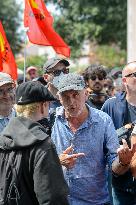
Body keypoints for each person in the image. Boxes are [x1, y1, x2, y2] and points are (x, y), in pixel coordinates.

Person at [51, 73, 120, 205]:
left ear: (86, 94)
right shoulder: (51, 120)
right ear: (59, 98)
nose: (71, 102)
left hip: (96, 201)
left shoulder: (103, 121)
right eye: (66, 97)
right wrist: (56, 161)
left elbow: (113, 161)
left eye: (76, 95)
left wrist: (122, 161)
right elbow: (40, 162)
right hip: (61, 201)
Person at [0, 81, 69, 205]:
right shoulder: (43, 144)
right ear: (43, 106)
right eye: (48, 104)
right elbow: (52, 197)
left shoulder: (2, 140)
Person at [102, 61, 136, 205]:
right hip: (123, 186)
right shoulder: (111, 105)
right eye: (135, 75)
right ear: (124, 80)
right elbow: (101, 141)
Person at [43, 57, 70, 127]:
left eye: (65, 71)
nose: (62, 75)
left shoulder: (75, 97)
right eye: (57, 72)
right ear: (46, 77)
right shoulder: (39, 99)